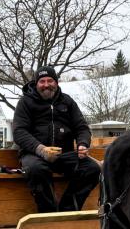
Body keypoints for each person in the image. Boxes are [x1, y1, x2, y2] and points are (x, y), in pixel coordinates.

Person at [12, 65, 101, 213]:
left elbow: (82, 128)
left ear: (56, 83)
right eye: (42, 81)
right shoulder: (25, 102)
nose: (46, 85)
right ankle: (48, 214)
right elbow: (19, 132)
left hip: (63, 155)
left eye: (50, 81)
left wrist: (83, 144)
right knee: (36, 169)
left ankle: (68, 210)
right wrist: (41, 149)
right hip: (34, 154)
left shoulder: (67, 102)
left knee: (92, 168)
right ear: (36, 83)